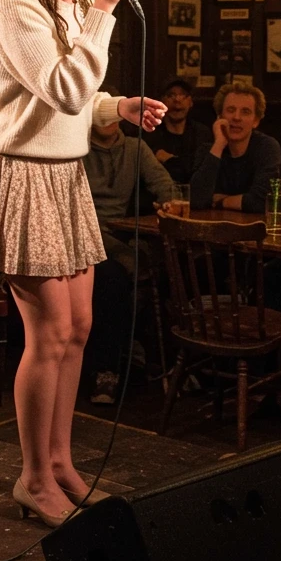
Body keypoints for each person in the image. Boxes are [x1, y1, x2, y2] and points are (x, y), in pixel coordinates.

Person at [0, 0, 166, 528]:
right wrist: (105, 7)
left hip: (65, 177)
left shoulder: (74, 1)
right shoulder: (15, 5)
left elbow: (80, 97)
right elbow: (59, 85)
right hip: (22, 179)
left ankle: (60, 461)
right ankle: (30, 479)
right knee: (46, 334)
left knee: (78, 330)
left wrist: (119, 107)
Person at [82, 97, 175, 405]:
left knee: (157, 266)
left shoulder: (135, 148)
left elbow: (167, 188)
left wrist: (169, 203)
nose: (107, 119)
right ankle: (112, 367)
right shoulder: (75, 148)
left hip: (120, 233)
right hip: (82, 232)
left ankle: (138, 357)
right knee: (119, 273)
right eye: (100, 112)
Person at [189, 81, 281, 213]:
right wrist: (219, 145)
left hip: (254, 229)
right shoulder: (208, 149)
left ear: (256, 121)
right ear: (220, 116)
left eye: (245, 112)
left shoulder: (267, 147)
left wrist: (222, 201)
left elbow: (263, 201)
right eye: (231, 110)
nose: (237, 117)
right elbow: (195, 200)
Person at [138, 78, 210, 184]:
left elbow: (202, 174)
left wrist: (168, 159)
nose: (177, 100)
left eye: (183, 95)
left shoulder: (202, 133)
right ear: (161, 101)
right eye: (170, 95)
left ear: (190, 102)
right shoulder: (149, 133)